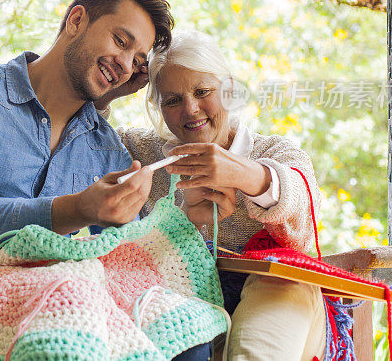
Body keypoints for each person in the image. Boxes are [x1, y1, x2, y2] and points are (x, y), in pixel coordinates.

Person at [0, 0, 213, 361]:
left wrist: (191, 219)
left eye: (137, 60)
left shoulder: (106, 149)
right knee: (64, 317)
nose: (125, 62)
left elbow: (122, 259)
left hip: (66, 306)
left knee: (184, 328)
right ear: (77, 20)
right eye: (120, 40)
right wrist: (78, 209)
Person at [95, 29, 326, 361]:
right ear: (158, 107)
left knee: (275, 293)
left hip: (278, 298)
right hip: (183, 312)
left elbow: (305, 208)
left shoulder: (273, 151)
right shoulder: (142, 152)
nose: (191, 109)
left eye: (203, 91)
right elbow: (84, 135)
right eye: (172, 100)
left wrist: (247, 175)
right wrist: (110, 93)